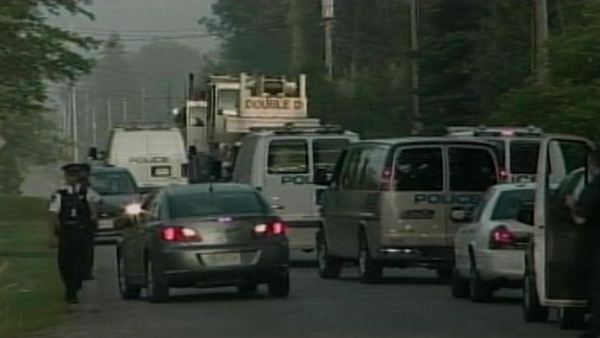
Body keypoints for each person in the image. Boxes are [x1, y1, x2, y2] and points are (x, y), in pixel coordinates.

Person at [49, 163, 101, 304]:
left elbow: (95, 204)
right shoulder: (60, 193)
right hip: (66, 231)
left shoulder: (86, 192)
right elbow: (54, 213)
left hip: (82, 231)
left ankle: (76, 283)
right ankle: (69, 288)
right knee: (65, 261)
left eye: (74, 175)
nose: (71, 178)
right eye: (69, 175)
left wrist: (93, 217)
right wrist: (53, 234)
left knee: (80, 260)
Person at [565, 150, 600, 338]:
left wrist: (572, 204)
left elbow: (580, 218)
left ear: (593, 164)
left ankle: (595, 329)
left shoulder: (595, 186)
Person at [78, 163, 99, 281]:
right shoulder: (69, 189)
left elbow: (94, 201)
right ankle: (82, 270)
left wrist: (94, 217)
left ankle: (86, 271)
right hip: (78, 223)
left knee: (86, 248)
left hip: (86, 223)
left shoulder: (88, 189)